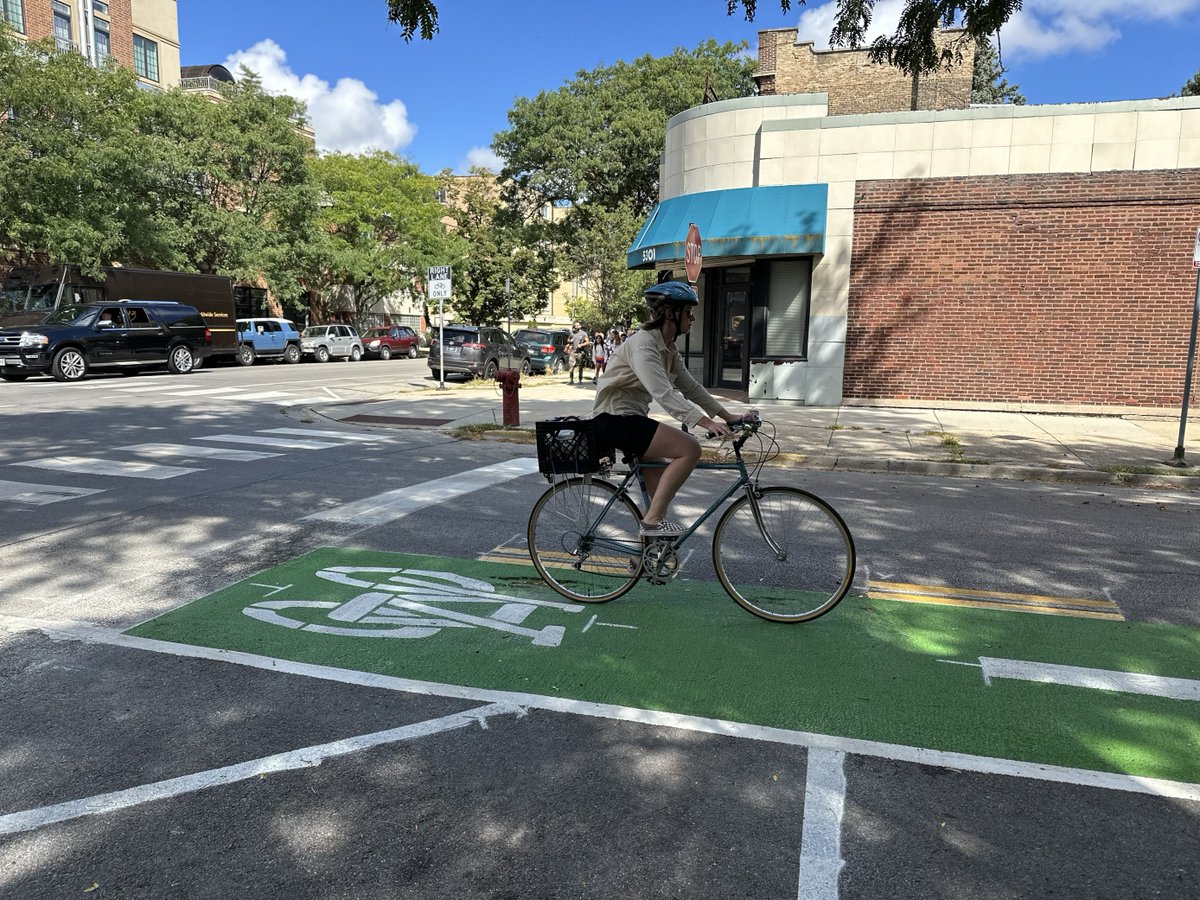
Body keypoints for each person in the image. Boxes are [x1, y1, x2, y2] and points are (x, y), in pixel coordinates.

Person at [592, 281, 754, 537]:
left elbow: (690, 387)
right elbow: (663, 393)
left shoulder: (668, 348)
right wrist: (704, 423)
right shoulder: (643, 345)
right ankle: (651, 523)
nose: (692, 319)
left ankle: (642, 555)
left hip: (632, 420)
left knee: (660, 495)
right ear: (670, 313)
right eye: (688, 313)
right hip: (615, 420)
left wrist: (727, 416)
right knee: (690, 448)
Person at [567, 320, 591, 385]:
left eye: (578, 325)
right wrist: (570, 340)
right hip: (573, 352)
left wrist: (581, 345)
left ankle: (580, 380)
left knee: (580, 366)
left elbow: (587, 342)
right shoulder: (572, 333)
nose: (576, 326)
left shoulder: (583, 333)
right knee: (571, 366)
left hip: (580, 352)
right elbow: (568, 340)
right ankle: (571, 380)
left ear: (580, 326)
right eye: (575, 325)